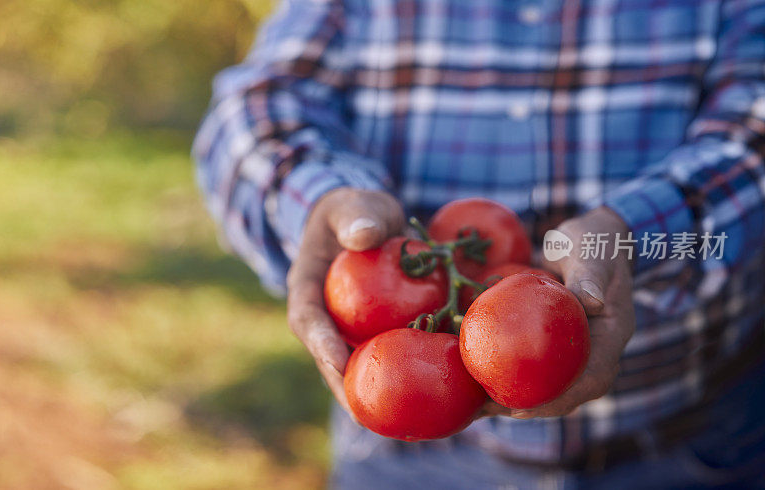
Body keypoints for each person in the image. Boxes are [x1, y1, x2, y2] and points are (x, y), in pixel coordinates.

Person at [193, 0, 765, 487]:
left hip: (694, 443)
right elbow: (258, 105)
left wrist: (636, 234)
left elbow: (754, 129)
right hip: (407, 468)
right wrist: (314, 199)